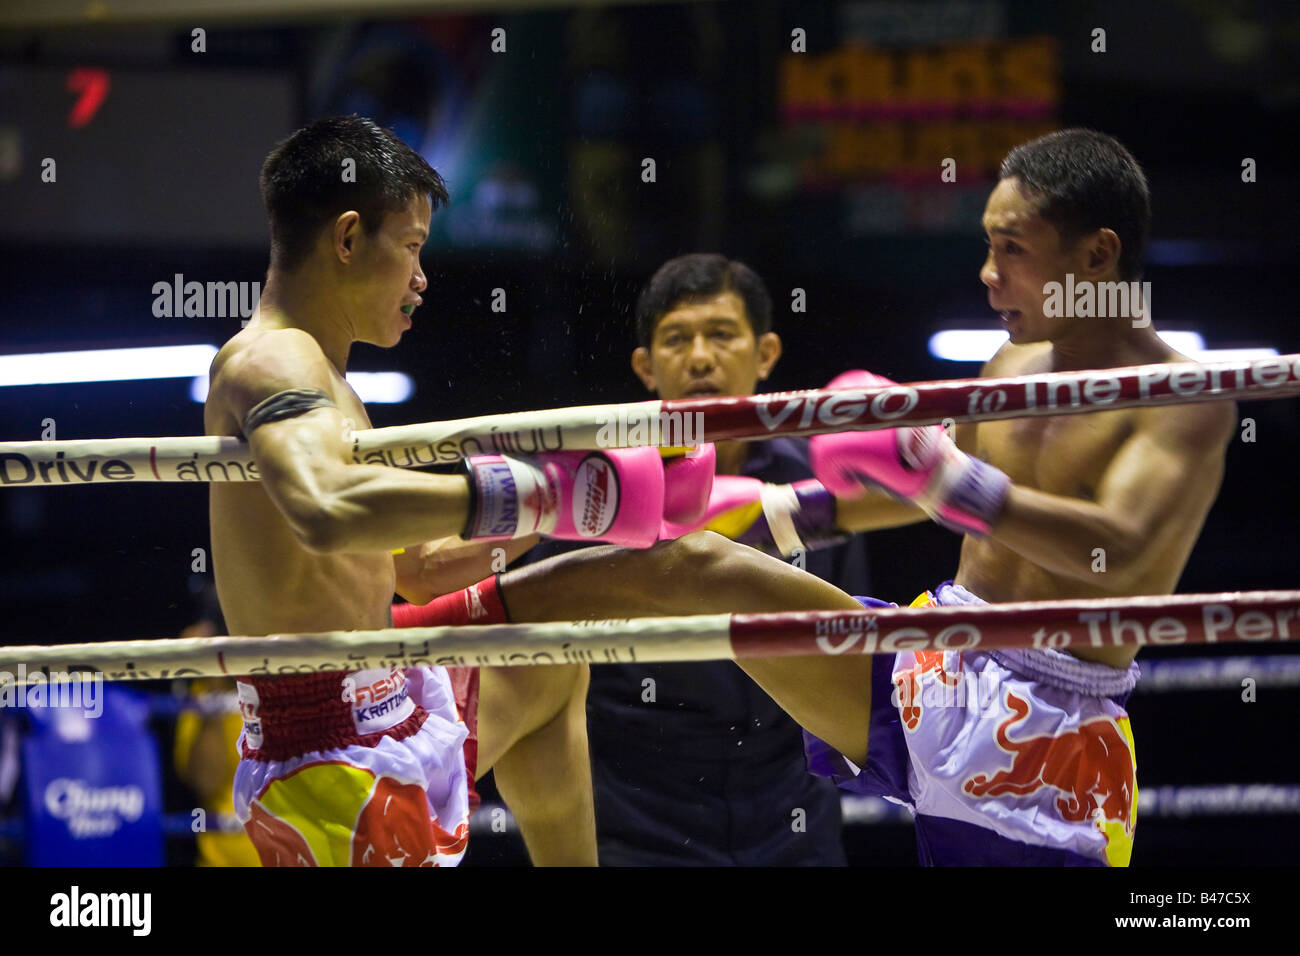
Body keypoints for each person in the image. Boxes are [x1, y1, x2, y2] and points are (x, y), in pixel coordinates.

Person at [650, 129, 1237, 865]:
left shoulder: (1185, 399)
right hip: (939, 657)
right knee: (704, 565)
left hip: (1048, 733)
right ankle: (486, 596)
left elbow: (1118, 549)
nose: (989, 274)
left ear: (1096, 256)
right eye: (988, 246)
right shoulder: (1010, 358)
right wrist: (786, 511)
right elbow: (920, 483)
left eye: (1012, 249)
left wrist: (944, 478)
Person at [207, 115, 716, 867]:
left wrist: (585, 502)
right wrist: (539, 495)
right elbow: (325, 508)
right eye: (411, 247)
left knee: (547, 668)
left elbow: (414, 566)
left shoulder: (328, 381)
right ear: (348, 239)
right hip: (322, 746)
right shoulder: (273, 360)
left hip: (386, 698)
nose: (421, 278)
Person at [524, 254, 867, 865]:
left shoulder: (815, 486)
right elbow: (552, 661)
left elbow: (849, 640)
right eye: (677, 340)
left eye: (722, 335)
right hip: (640, 810)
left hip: (792, 806)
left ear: (765, 354)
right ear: (645, 367)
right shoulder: (595, 488)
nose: (701, 357)